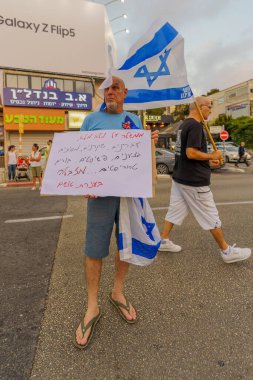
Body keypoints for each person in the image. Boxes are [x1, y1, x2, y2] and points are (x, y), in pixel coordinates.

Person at [74, 76, 159, 349]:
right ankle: (92, 306)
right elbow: (81, 158)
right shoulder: (90, 121)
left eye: (115, 88)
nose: (110, 92)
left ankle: (117, 292)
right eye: (106, 89)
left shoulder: (134, 121)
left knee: (126, 247)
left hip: (128, 196)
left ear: (124, 93)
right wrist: (84, 182)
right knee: (94, 250)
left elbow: (140, 161)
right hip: (98, 197)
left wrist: (150, 142)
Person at [159, 96, 251, 264]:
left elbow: (188, 154)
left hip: (180, 178)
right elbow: (191, 153)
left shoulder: (184, 124)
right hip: (194, 181)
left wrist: (208, 160)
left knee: (174, 211)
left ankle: (163, 240)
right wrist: (211, 155)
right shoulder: (195, 125)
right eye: (209, 106)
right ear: (200, 107)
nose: (210, 109)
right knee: (210, 215)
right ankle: (226, 250)